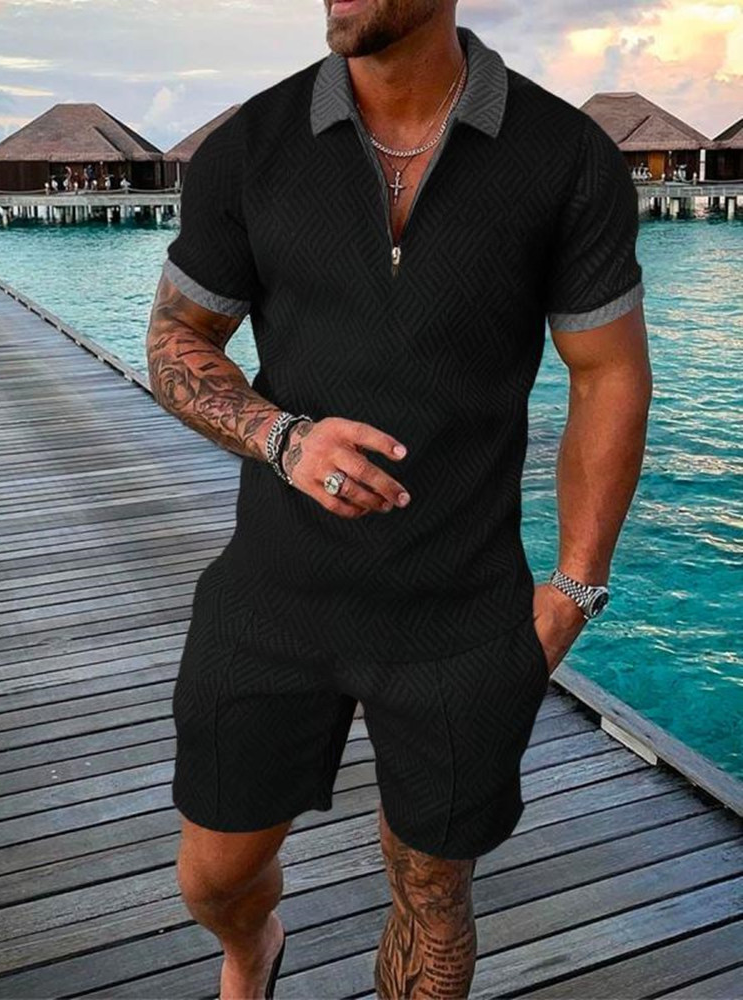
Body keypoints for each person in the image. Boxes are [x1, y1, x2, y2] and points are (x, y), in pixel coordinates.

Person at [147, 2, 652, 997]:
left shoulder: (565, 158)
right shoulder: (251, 147)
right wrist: (282, 437)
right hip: (274, 592)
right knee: (213, 877)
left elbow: (608, 374)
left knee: (432, 891)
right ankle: (252, 948)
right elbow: (176, 339)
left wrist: (575, 588)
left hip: (459, 612)